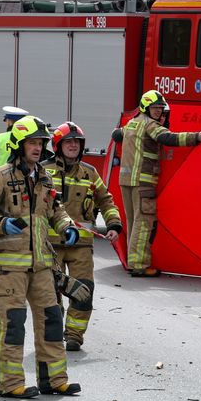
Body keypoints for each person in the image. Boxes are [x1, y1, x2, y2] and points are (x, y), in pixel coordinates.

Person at [0, 116, 81, 399]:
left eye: (41, 143)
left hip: (42, 264)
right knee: (13, 324)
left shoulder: (43, 176)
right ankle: (10, 384)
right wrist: (1, 222)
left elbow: (56, 209)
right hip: (10, 268)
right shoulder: (0, 176)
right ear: (19, 144)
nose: (37, 147)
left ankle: (55, 380)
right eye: (32, 142)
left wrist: (66, 226)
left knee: (52, 319)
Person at [112, 90, 201, 276]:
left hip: (126, 181)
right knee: (143, 223)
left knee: (133, 222)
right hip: (143, 182)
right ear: (145, 107)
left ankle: (132, 261)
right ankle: (139, 265)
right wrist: (197, 137)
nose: (158, 112)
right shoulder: (150, 125)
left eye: (160, 108)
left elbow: (116, 134)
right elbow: (169, 138)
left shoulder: (132, 124)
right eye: (155, 108)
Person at [44, 122, 121, 351]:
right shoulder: (43, 171)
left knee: (84, 290)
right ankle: (55, 331)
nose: (73, 146)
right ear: (58, 145)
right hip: (50, 245)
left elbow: (106, 200)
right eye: (68, 142)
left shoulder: (90, 173)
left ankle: (75, 335)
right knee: (50, 292)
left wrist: (114, 224)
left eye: (76, 142)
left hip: (81, 244)